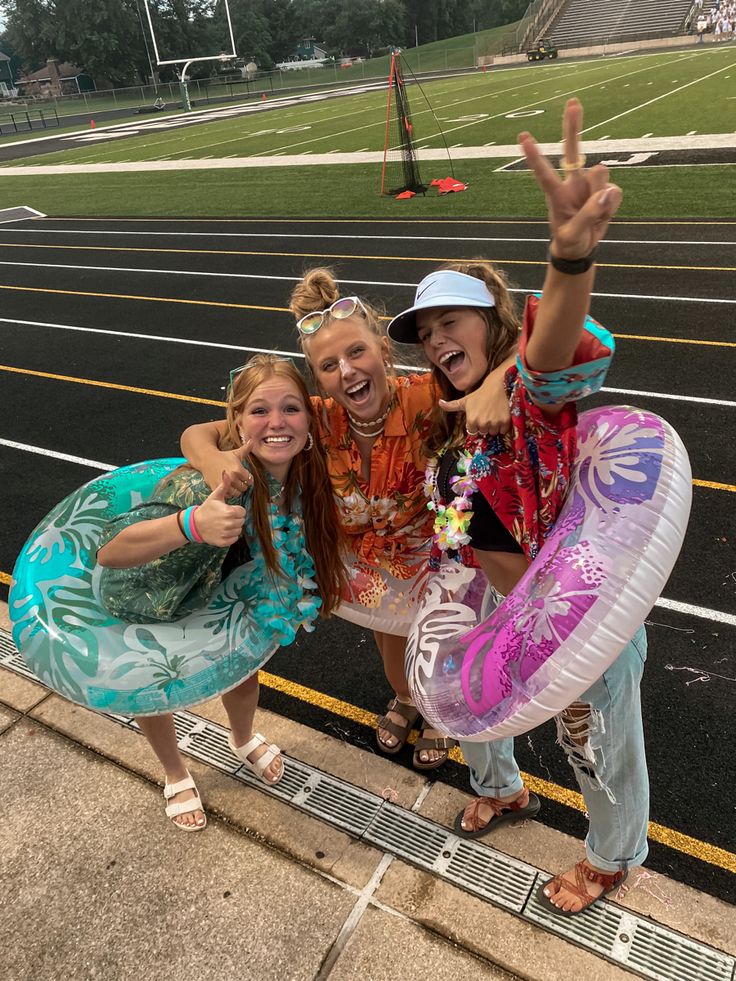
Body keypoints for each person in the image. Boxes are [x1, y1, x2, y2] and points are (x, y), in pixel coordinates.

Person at [387, 98, 649, 917]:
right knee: (472, 705)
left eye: (449, 323)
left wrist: (568, 261)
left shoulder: (529, 398)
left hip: (575, 606)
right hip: (498, 600)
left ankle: (612, 858)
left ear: (491, 322)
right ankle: (500, 791)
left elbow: (550, 348)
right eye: (424, 332)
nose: (433, 342)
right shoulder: (445, 413)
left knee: (595, 741)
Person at [181, 285, 515, 771]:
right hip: (365, 565)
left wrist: (494, 385)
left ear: (382, 350)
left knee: (441, 646)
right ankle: (404, 699)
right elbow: (202, 433)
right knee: (390, 640)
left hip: (432, 558)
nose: (348, 371)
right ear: (318, 380)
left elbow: (534, 352)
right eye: (329, 365)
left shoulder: (427, 397)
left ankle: (439, 717)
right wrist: (212, 461)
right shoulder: (315, 419)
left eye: (356, 351)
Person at [97, 355, 345, 831]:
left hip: (219, 587)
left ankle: (242, 736)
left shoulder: (301, 475)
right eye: (259, 411)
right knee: (154, 691)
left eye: (291, 408)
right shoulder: (208, 485)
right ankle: (174, 771)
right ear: (236, 422)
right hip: (152, 589)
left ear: (311, 420)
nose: (276, 422)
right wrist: (192, 523)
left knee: (242, 670)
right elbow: (110, 553)